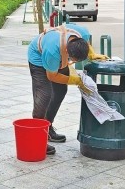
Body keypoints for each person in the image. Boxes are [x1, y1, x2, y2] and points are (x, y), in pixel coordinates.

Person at [27, 23, 108, 155]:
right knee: (44, 96)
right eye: (72, 60)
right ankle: (38, 137)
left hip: (60, 54)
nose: (73, 63)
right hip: (39, 58)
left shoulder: (82, 33)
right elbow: (52, 76)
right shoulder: (52, 51)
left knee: (60, 91)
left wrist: (92, 54)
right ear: (66, 52)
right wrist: (75, 80)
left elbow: (86, 42)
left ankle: (48, 127)